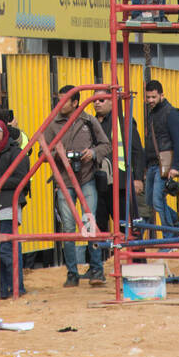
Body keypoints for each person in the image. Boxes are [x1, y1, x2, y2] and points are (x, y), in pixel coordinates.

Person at [44, 85, 110, 286]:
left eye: (65, 100)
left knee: (90, 223)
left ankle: (97, 270)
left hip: (87, 179)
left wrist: (92, 153)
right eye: (59, 99)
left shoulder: (87, 121)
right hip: (64, 182)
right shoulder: (52, 124)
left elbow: (106, 145)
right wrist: (59, 155)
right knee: (68, 228)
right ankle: (72, 273)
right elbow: (42, 154)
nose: (60, 104)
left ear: (75, 103)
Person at [0, 120, 30, 298]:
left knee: (6, 250)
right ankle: (1, 290)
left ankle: (16, 287)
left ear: (4, 134)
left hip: (7, 206)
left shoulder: (15, 153)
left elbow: (22, 179)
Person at [92, 87, 145, 237]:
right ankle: (105, 259)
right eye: (94, 100)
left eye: (101, 100)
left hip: (120, 182)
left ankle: (135, 258)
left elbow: (137, 150)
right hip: (98, 183)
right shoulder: (91, 122)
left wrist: (138, 178)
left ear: (111, 102)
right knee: (99, 227)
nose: (97, 103)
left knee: (126, 225)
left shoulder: (122, 120)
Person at [143, 80, 179, 237]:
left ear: (162, 95)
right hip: (153, 165)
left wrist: (175, 166)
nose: (150, 100)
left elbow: (178, 141)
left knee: (158, 202)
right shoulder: (152, 113)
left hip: (164, 165)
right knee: (151, 202)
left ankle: (169, 237)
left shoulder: (170, 112)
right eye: (148, 97)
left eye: (153, 97)